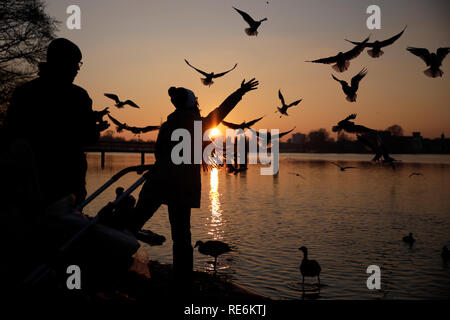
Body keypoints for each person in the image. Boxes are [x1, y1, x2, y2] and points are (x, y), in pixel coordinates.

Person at [0, 38, 143, 295]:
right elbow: (86, 136)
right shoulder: (76, 95)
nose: (78, 69)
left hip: (27, 183)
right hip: (65, 182)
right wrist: (95, 130)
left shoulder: (25, 92)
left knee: (33, 234)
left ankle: (33, 276)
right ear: (65, 63)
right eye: (76, 63)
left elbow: (11, 134)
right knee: (64, 235)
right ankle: (62, 282)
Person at [127, 79, 259, 282]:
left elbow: (159, 153)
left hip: (158, 181)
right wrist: (240, 92)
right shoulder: (199, 124)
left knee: (134, 223)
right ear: (192, 104)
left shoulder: (168, 124)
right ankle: (182, 278)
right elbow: (222, 110)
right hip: (182, 186)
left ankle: (116, 256)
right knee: (181, 236)